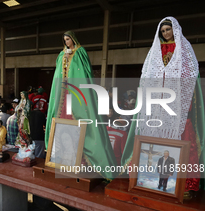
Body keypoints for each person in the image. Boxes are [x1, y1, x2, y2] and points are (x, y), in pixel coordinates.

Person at [121, 17, 205, 195]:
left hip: (176, 103)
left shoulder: (185, 48)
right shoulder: (155, 50)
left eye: (168, 29)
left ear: (175, 29)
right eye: (163, 31)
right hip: (157, 103)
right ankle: (147, 179)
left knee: (182, 140)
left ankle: (183, 185)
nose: (166, 33)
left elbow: (190, 78)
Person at [45, 31, 117, 178]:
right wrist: (64, 59)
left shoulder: (80, 52)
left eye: (68, 39)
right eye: (64, 40)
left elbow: (85, 73)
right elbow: (59, 73)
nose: (66, 42)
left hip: (75, 92)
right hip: (63, 94)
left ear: (73, 39)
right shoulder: (61, 54)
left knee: (83, 120)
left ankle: (84, 160)